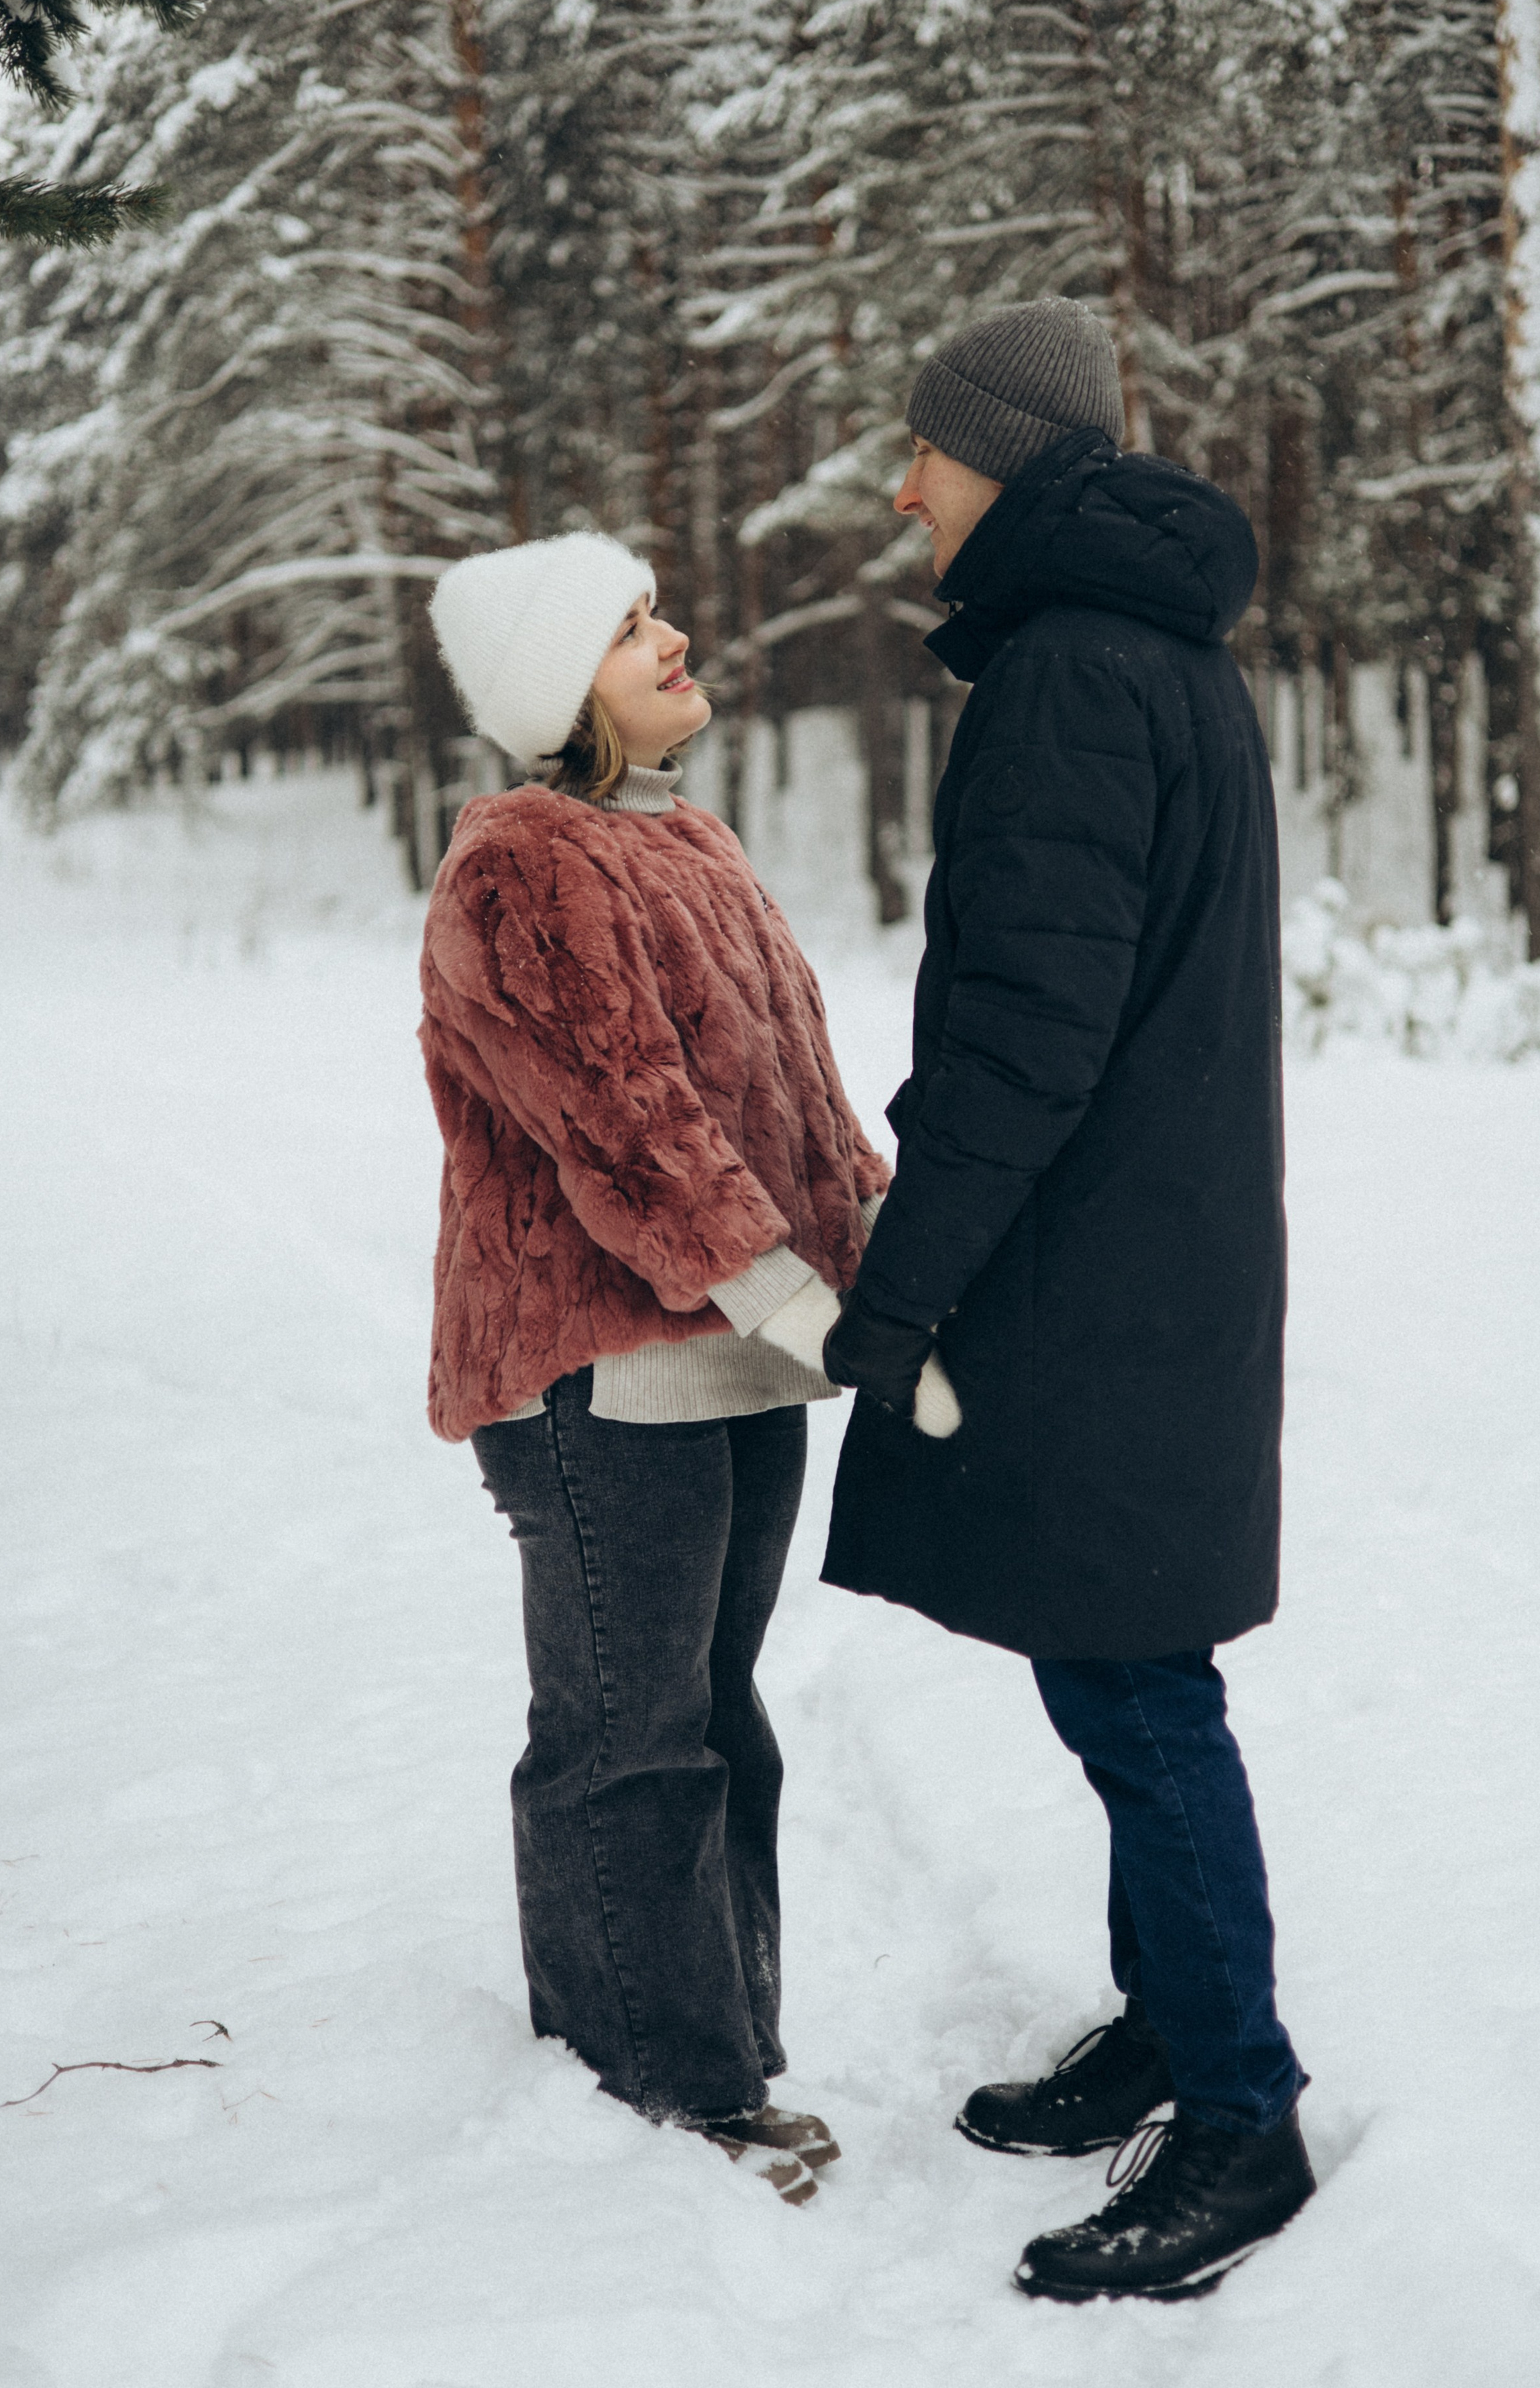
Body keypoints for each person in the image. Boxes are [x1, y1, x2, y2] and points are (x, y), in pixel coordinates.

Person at [819, 296, 1315, 2297]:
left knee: (1136, 1685)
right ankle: (1166, 2023)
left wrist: (897, 1287)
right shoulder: (1141, 656)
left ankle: (1243, 2111)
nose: (905, 485)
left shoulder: (1070, 680)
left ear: (1008, 459)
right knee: (1108, 1663)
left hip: (1099, 1272)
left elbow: (1025, 1036)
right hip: (1145, 1256)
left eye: (928, 451)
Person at [417, 531, 894, 2205]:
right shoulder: (522, 865)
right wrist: (781, 1289)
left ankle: (715, 2048)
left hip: (738, 1351)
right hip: (599, 1369)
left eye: (655, 612)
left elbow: (795, 1099)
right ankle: (657, 2087)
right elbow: (626, 1124)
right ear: (560, 687)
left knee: (710, 1716)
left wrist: (880, 1268)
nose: (675, 635)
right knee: (630, 1735)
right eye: (631, 627)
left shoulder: (680, 836)